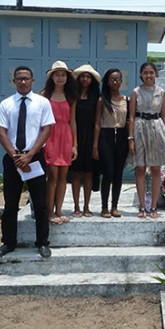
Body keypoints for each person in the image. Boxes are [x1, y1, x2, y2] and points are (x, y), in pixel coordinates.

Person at [0, 66, 55, 259]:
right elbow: (1, 132)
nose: (23, 81)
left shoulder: (42, 103)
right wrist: (16, 157)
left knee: (40, 203)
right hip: (13, 159)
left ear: (33, 81)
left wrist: (29, 155)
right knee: (10, 203)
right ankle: (8, 242)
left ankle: (42, 242)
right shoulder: (6, 104)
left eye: (26, 78)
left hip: (34, 158)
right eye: (19, 78)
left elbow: (46, 130)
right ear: (14, 82)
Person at [128, 62, 165, 219]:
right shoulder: (136, 92)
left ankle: (153, 207)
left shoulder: (161, 92)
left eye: (151, 72)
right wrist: (130, 138)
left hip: (157, 129)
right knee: (140, 168)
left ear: (156, 74)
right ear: (141, 75)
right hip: (139, 128)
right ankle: (142, 206)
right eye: (145, 73)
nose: (149, 75)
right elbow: (131, 117)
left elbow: (164, 116)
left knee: (156, 169)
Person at [41, 60, 78, 225]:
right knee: (52, 176)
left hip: (66, 137)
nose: (60, 78)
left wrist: (75, 144)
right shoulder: (44, 96)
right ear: (52, 77)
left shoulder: (71, 97)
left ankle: (59, 209)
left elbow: (73, 122)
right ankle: (49, 211)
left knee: (63, 176)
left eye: (63, 75)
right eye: (57, 75)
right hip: (50, 136)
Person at [93, 69, 129, 218]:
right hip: (105, 136)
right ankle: (104, 207)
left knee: (118, 174)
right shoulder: (102, 100)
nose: (115, 82)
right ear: (107, 82)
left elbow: (130, 121)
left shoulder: (126, 100)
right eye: (112, 79)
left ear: (121, 81)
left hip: (121, 137)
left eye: (118, 79)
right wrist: (95, 146)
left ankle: (115, 206)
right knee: (108, 173)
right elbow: (97, 123)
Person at [70, 64, 101, 218]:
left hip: (91, 137)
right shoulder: (73, 96)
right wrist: (74, 143)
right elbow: (72, 120)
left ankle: (87, 206)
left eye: (88, 76)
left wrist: (95, 145)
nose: (85, 79)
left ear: (92, 80)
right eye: (82, 76)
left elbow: (97, 123)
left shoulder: (97, 98)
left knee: (88, 173)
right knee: (76, 173)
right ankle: (76, 206)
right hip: (76, 136)